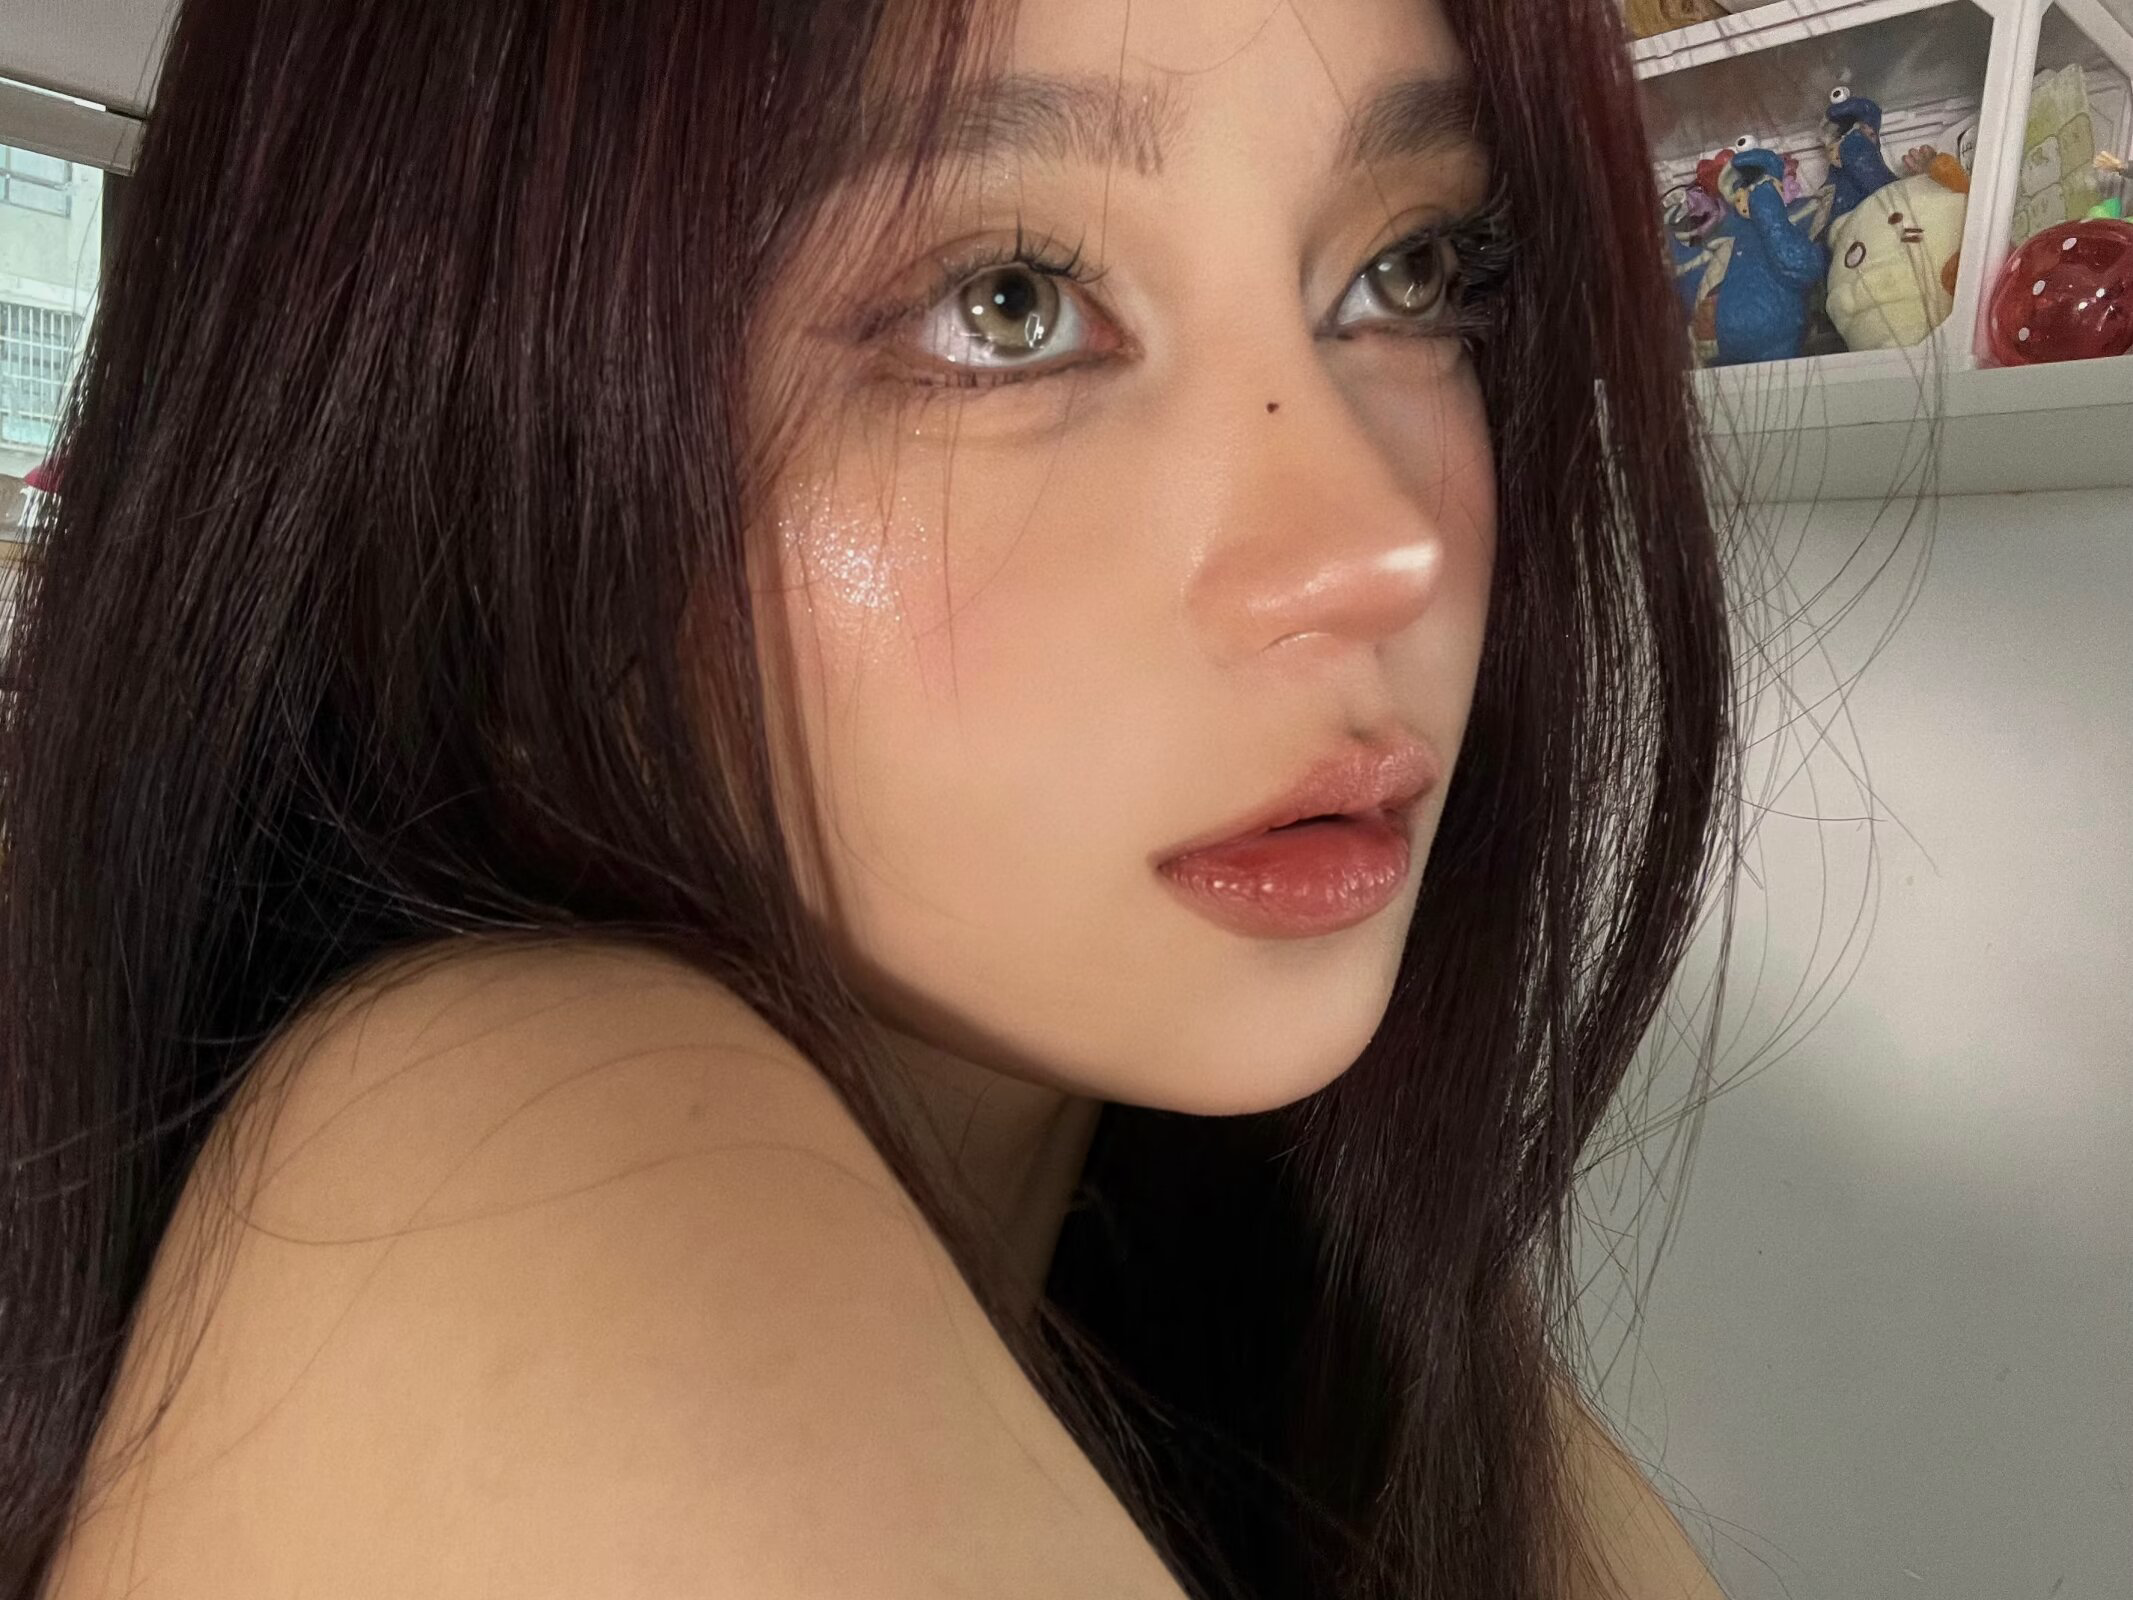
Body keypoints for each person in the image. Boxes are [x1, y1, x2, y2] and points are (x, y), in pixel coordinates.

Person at [2, 0, 1739, 1595]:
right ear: (450, 445)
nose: (1375, 549)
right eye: (1008, 303)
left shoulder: (1324, 1336)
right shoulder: (494, 1160)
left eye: (1412, 273)